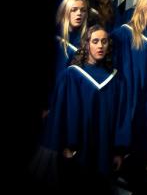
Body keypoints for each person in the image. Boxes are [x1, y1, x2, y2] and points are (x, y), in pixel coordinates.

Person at [46, 23, 135, 174]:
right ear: (86, 44)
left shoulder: (116, 80)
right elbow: (61, 114)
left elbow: (121, 118)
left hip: (104, 150)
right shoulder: (71, 76)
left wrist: (118, 151)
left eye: (104, 41)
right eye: (95, 41)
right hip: (76, 150)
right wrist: (65, 145)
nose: (100, 46)